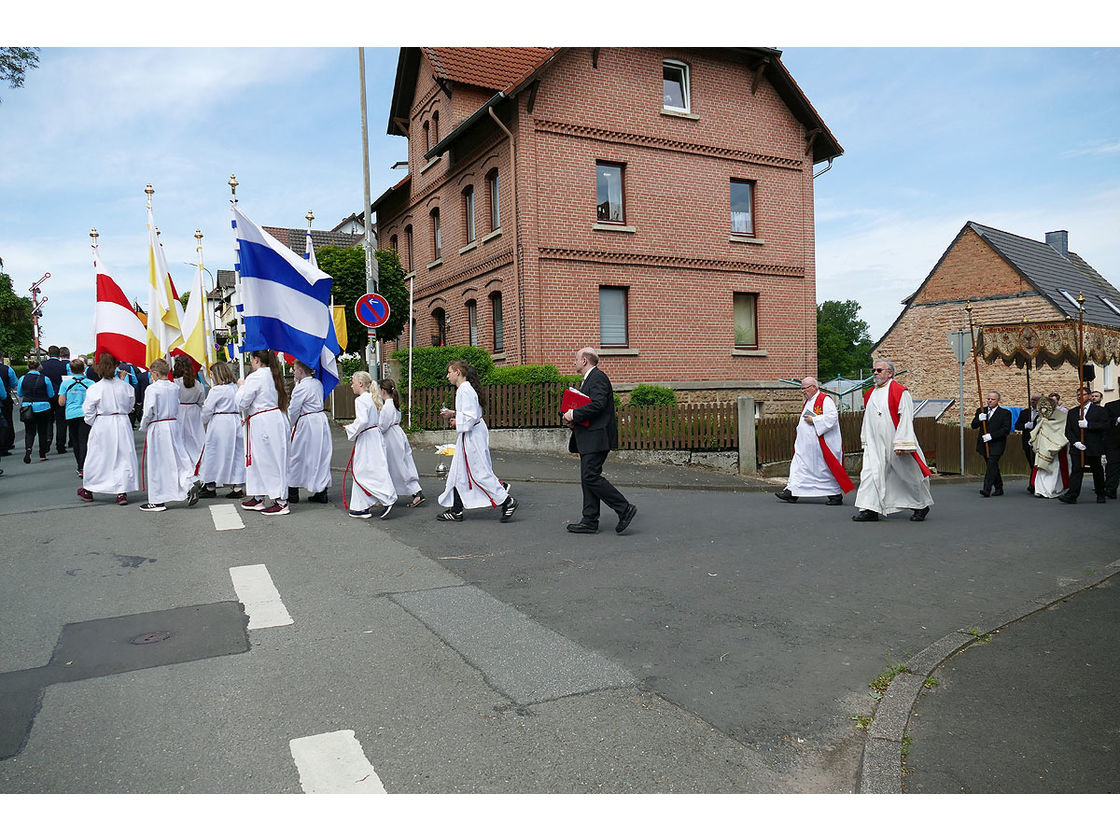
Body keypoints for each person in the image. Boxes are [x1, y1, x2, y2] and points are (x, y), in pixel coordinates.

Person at [561, 347, 634, 534]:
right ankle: (589, 520)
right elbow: (591, 406)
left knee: (590, 476)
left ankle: (624, 508)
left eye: (576, 358)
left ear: (585, 361)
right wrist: (573, 420)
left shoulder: (598, 377)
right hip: (590, 436)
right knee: (587, 478)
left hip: (597, 437)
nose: (574, 362)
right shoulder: (589, 380)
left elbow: (598, 404)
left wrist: (575, 413)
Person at [851, 358, 933, 522]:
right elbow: (867, 419)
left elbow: (906, 418)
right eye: (873, 370)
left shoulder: (900, 392)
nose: (875, 373)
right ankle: (870, 509)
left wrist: (902, 443)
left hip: (895, 442)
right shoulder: (870, 394)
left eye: (879, 370)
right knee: (869, 474)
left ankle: (921, 505)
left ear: (890, 373)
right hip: (875, 443)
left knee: (906, 476)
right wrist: (866, 440)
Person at [437, 360, 517, 523]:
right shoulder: (466, 389)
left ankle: (507, 500)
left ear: (458, 372)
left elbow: (470, 417)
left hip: (472, 436)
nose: (447, 376)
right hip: (471, 434)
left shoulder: (464, 390)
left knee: (478, 472)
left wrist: (455, 420)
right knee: (459, 472)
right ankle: (456, 509)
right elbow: (469, 413)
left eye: (450, 372)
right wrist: (454, 414)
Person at [775, 376, 853, 506]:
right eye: (801, 388)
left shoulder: (824, 400)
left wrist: (814, 421)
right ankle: (792, 492)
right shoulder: (809, 401)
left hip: (820, 447)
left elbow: (832, 418)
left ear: (814, 387)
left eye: (805, 388)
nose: (802, 391)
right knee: (799, 468)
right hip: (806, 448)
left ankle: (835, 495)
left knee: (823, 471)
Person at [77, 353, 140, 505]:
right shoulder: (126, 387)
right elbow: (131, 405)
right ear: (116, 366)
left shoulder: (95, 388)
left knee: (98, 456)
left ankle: (90, 488)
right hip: (122, 421)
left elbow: (88, 410)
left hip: (103, 422)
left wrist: (95, 422)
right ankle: (121, 491)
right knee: (123, 456)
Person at [138, 358, 200, 512]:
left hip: (158, 425)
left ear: (155, 373)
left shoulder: (152, 389)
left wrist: (144, 425)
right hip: (173, 423)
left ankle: (158, 499)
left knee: (158, 463)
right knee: (178, 457)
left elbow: (148, 411)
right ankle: (188, 482)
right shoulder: (173, 387)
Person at [236, 349, 291, 516]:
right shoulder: (273, 375)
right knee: (259, 460)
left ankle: (281, 501)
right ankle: (258, 496)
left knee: (269, 461)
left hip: (264, 423)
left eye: (252, 359)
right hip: (272, 419)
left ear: (256, 360)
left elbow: (241, 402)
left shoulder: (256, 376)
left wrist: (241, 387)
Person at [343, 370, 397, 519]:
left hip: (367, 438)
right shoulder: (369, 398)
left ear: (360, 384)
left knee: (364, 471)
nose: (351, 385)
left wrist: (349, 428)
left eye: (353, 382)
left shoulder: (360, 400)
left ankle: (387, 497)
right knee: (368, 469)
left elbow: (363, 421)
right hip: (372, 436)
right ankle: (360, 507)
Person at [195, 361, 245, 499]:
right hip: (234, 421)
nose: (211, 377)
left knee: (213, 454)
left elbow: (207, 409)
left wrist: (202, 420)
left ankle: (210, 486)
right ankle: (238, 486)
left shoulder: (217, 390)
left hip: (220, 423)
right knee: (236, 454)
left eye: (212, 374)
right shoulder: (235, 388)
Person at [286, 360, 332, 504]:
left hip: (307, 423)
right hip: (320, 421)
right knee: (320, 455)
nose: (293, 371)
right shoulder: (317, 383)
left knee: (297, 455)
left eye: (294, 369)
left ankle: (293, 492)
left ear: (300, 370)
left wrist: (290, 425)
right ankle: (321, 490)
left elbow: (294, 410)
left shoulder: (301, 388)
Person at [378, 377, 426, 508]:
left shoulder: (387, 406)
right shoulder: (394, 403)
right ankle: (414, 491)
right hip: (398, 434)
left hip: (391, 437)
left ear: (382, 391)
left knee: (397, 466)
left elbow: (383, 426)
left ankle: (414, 492)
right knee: (403, 463)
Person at [1059, 386, 1108, 504]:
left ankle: (1100, 493)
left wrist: (1089, 425)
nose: (1080, 397)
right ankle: (1072, 495)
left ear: (1090, 396)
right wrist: (1075, 442)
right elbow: (1068, 430)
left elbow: (1105, 426)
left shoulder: (1099, 411)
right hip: (1077, 447)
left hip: (1093, 446)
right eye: (1078, 395)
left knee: (1097, 470)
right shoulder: (1072, 412)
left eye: (1083, 394)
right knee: (1076, 470)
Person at [970, 390, 1012, 497]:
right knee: (992, 466)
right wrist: (979, 419)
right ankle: (999, 487)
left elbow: (1006, 430)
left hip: (997, 444)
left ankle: (986, 489)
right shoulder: (981, 410)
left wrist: (992, 436)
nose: (989, 401)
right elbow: (973, 425)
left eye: (992, 399)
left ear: (998, 400)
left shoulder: (1005, 413)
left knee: (991, 465)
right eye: (988, 399)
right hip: (984, 444)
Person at [58, 358, 94, 476]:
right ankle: (86, 466)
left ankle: (80, 465)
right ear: (84, 369)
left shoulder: (65, 384)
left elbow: (61, 402)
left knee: (75, 440)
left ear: (71, 370)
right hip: (86, 414)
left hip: (71, 414)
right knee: (85, 440)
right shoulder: (91, 383)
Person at [1029, 396, 1070, 498]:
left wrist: (1056, 443)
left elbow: (1063, 431)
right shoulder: (1041, 417)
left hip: (1055, 448)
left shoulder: (1062, 416)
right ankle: (1040, 490)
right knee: (1041, 468)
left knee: (1055, 469)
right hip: (1042, 446)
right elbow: (1038, 429)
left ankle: (1053, 489)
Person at [18, 358, 56, 463]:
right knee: (42, 431)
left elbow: (20, 393)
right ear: (39, 367)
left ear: (28, 367)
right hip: (43, 406)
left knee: (29, 431)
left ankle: (28, 449)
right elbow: (51, 394)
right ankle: (42, 454)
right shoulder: (45, 379)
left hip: (27, 406)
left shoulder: (22, 378)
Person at [173, 354, 206, 475]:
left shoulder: (175, 384)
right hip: (194, 412)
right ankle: (199, 470)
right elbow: (201, 401)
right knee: (196, 441)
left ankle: (186, 471)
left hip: (179, 412)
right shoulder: (198, 384)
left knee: (181, 443)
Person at [40, 345, 67, 453]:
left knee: (48, 421)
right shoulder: (64, 366)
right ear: (59, 354)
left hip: (46, 396)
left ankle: (47, 442)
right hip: (60, 395)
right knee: (61, 421)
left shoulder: (42, 365)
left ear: (48, 354)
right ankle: (60, 445)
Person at [1014, 393, 1042, 493]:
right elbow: (1017, 425)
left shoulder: (1043, 412)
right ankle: (1033, 482)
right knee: (1031, 463)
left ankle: (1033, 484)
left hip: (1039, 442)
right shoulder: (1025, 412)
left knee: (1036, 463)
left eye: (1035, 400)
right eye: (1032, 400)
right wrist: (1025, 426)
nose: (1033, 402)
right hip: (1027, 441)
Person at [0, 355, 18, 456]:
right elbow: (14, 383)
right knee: (7, 420)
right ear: (1, 358)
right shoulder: (8, 369)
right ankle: (7, 443)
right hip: (4, 398)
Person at [1103, 394, 1120, 500]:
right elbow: (1105, 422)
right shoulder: (1111, 406)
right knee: (1113, 466)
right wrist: (1117, 420)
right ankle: (1110, 489)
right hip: (1115, 442)